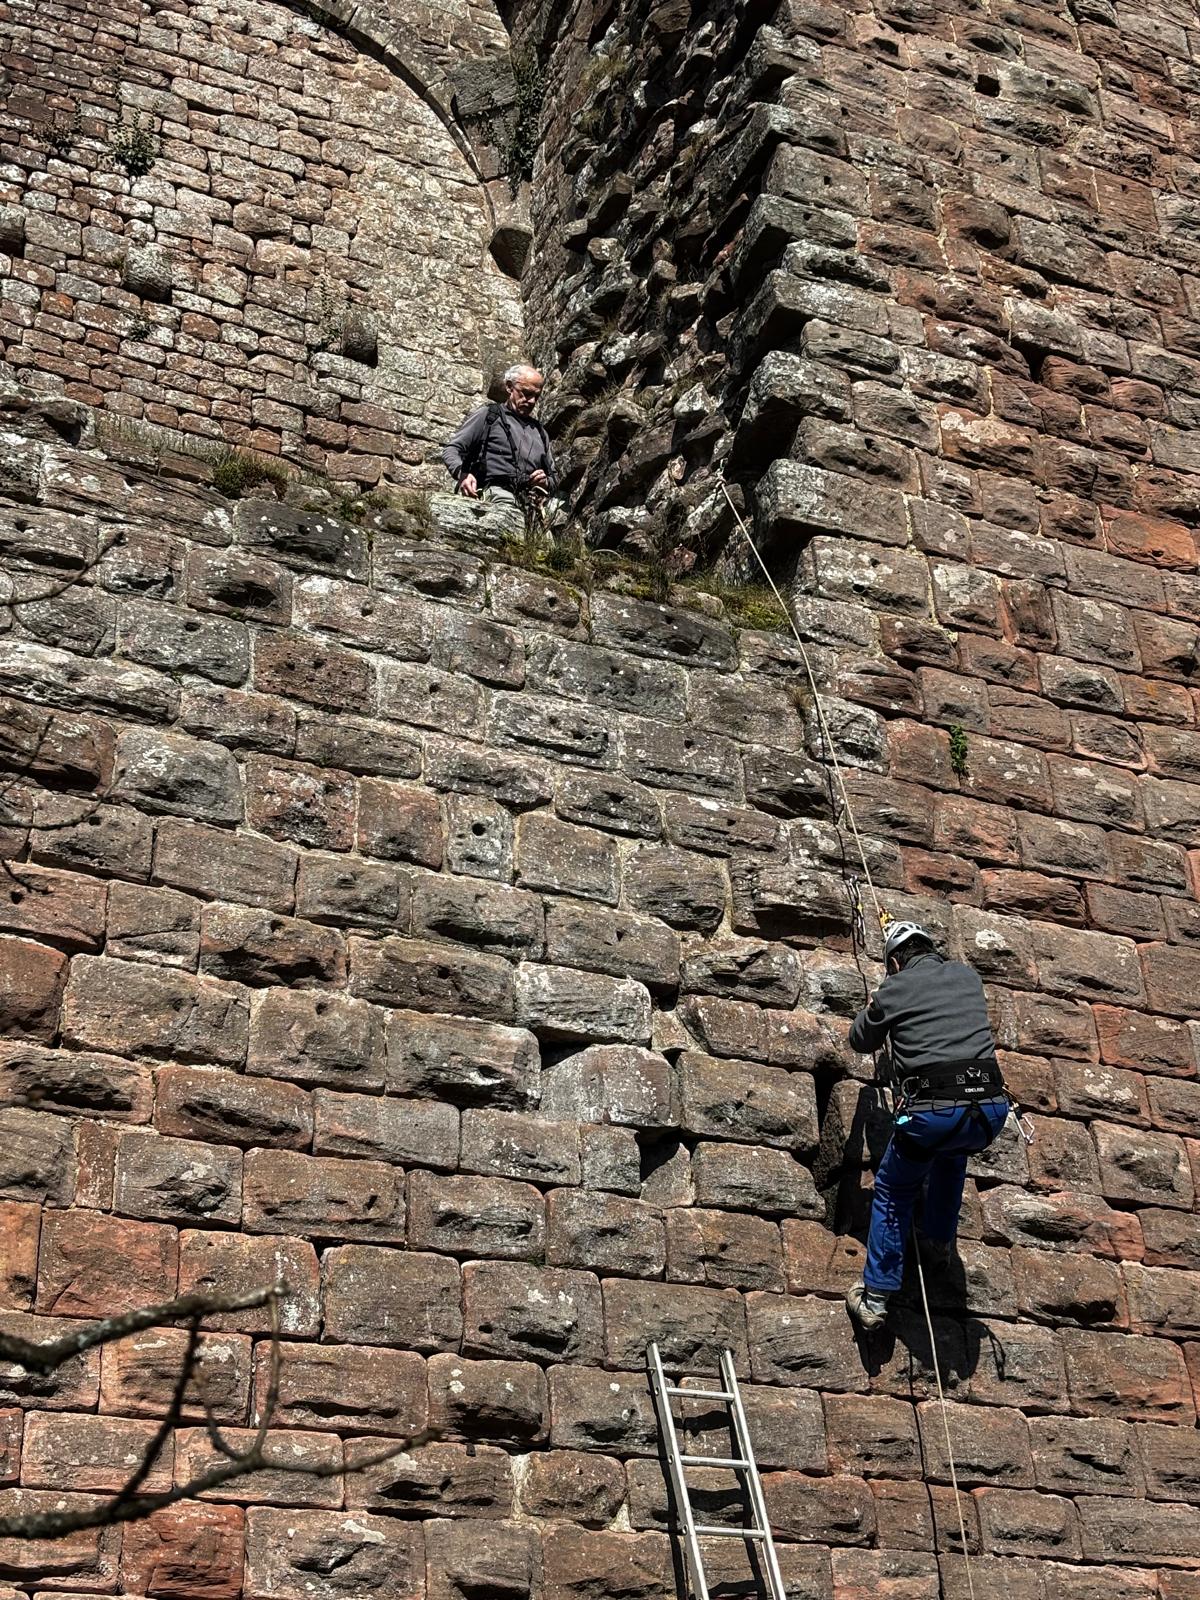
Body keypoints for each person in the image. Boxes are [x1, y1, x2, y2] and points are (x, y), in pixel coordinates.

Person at [845, 920, 1011, 1331]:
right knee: (952, 1157)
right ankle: (937, 1244)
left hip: (933, 1113)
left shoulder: (895, 988)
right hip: (989, 1113)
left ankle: (876, 1297)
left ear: (895, 963)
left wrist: (875, 1005)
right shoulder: (967, 977)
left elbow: (861, 1040)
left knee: (893, 1189)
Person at [441, 364, 557, 506]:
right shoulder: (488, 415)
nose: (532, 401)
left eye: (536, 396)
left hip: (531, 502)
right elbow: (452, 449)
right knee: (506, 503)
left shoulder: (540, 432)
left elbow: (554, 478)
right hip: (494, 493)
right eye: (526, 393)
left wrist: (545, 482)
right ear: (509, 387)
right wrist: (463, 474)